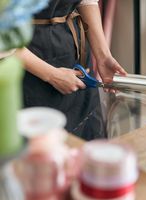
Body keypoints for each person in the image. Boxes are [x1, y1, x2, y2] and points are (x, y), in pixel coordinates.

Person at [16, 0, 127, 140]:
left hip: (74, 53)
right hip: (28, 65)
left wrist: (103, 56)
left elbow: (87, 2)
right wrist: (52, 75)